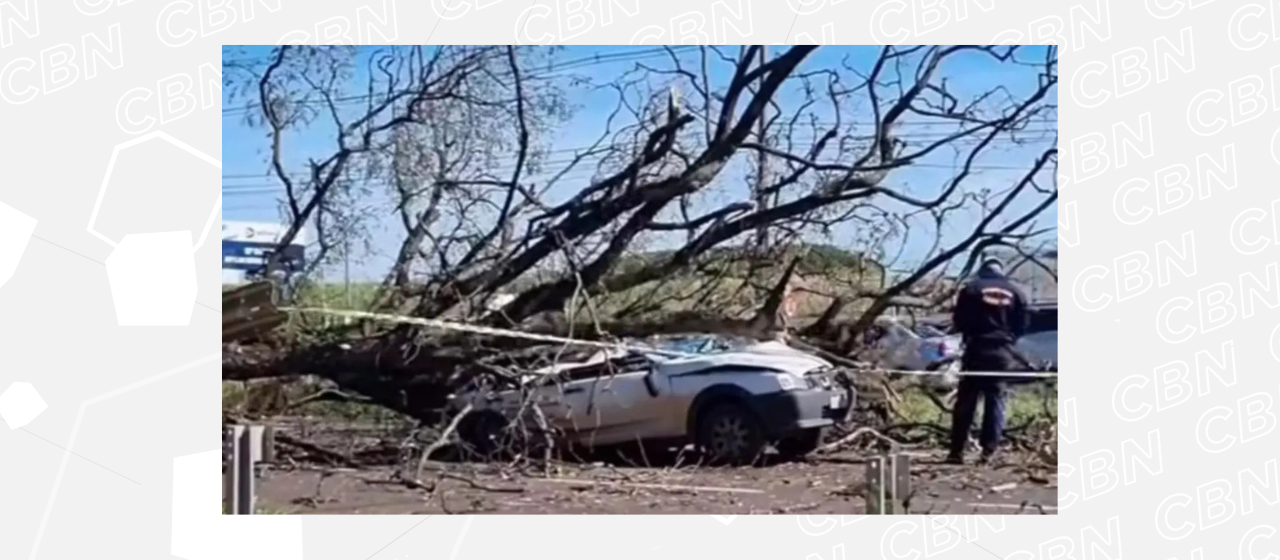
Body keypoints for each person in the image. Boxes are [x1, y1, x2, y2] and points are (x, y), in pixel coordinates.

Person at [946, 256, 1029, 465]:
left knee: (966, 401)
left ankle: (957, 451)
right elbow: (1022, 324)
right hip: (1003, 352)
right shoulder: (1017, 293)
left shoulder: (971, 289)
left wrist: (971, 333)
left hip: (976, 349)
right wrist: (1009, 337)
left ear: (982, 271)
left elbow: (959, 321)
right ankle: (988, 452)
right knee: (996, 400)